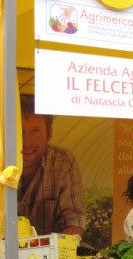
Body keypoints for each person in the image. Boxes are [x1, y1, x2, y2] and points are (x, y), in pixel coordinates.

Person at [17, 94, 86, 238]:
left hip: (51, 256)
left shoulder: (63, 162)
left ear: (49, 134)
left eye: (35, 130)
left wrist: (48, 251)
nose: (26, 141)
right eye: (19, 130)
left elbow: (74, 222)